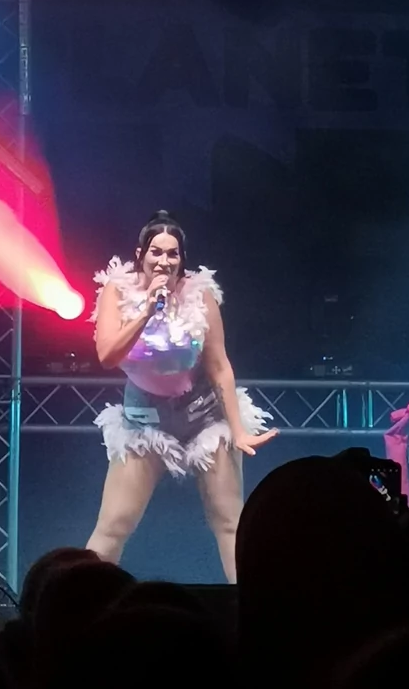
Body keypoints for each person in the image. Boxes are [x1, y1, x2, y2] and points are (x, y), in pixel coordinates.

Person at [85, 210, 278, 583]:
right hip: (144, 420)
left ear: (182, 259)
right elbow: (107, 355)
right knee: (114, 523)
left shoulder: (199, 295)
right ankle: (80, 601)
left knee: (229, 521)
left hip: (203, 414)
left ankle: (251, 604)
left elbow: (219, 365)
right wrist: (146, 311)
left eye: (173, 253)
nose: (164, 261)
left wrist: (238, 430)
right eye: (156, 252)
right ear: (140, 254)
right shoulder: (118, 291)